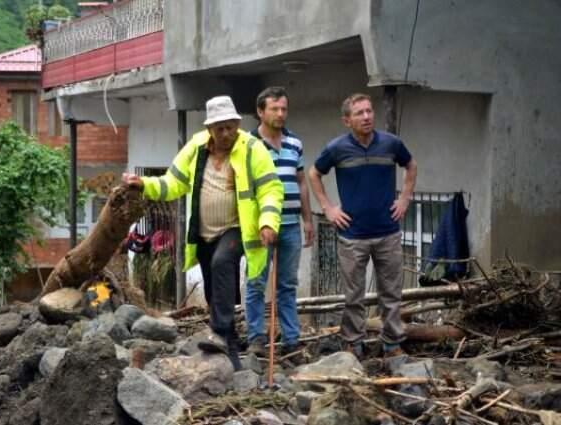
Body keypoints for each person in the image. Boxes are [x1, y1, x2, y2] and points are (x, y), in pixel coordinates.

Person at [122, 95, 284, 370]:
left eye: (230, 127)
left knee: (223, 263)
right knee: (215, 289)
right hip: (204, 233)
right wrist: (144, 184)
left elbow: (271, 188)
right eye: (219, 129)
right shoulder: (196, 148)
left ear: (237, 124)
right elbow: (172, 183)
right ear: (209, 129)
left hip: (237, 228)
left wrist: (268, 221)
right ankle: (230, 354)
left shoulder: (253, 149)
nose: (225, 134)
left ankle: (219, 332)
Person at [308, 93, 417, 358]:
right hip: (352, 235)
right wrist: (328, 208)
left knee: (391, 293)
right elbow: (314, 173)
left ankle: (392, 343)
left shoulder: (391, 144)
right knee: (353, 295)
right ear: (347, 120)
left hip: (387, 232)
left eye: (369, 111)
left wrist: (404, 198)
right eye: (360, 113)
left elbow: (410, 165)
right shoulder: (337, 148)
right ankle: (353, 344)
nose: (367, 116)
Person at [245, 87, 313, 360]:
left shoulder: (294, 143)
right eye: (274, 108)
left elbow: (301, 182)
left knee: (287, 284)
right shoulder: (247, 144)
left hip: (290, 225)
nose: (280, 113)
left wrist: (308, 219)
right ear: (261, 112)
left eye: (284, 108)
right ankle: (256, 338)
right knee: (256, 282)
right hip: (259, 226)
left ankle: (291, 340)